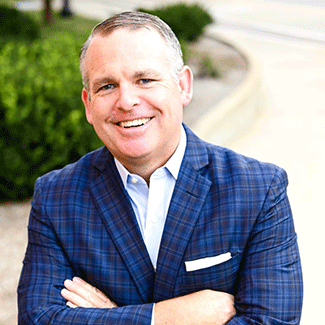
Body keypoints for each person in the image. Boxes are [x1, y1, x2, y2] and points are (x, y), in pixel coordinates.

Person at [18, 11, 303, 324]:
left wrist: (109, 317)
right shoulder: (55, 196)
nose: (126, 101)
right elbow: (39, 318)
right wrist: (166, 317)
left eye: (145, 80)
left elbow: (273, 322)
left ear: (183, 86)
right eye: (107, 86)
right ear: (88, 104)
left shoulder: (259, 190)